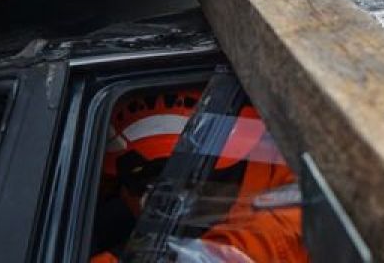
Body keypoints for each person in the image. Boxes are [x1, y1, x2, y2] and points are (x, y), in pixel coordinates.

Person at [93, 88, 306, 262]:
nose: (155, 200)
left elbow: (275, 238)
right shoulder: (94, 171)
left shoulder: (293, 185)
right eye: (142, 183)